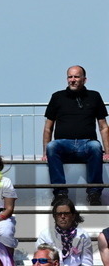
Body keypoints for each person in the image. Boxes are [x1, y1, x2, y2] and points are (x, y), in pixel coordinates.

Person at [43, 65, 109, 206]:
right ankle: (60, 193)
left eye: (76, 77)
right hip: (63, 144)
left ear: (84, 79)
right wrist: (45, 152)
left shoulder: (95, 96)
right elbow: (48, 128)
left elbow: (103, 127)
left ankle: (94, 193)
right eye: (70, 77)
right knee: (52, 146)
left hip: (87, 143)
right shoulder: (57, 97)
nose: (72, 80)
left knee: (95, 146)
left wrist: (108, 152)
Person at [35, 197, 92, 266]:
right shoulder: (45, 235)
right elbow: (41, 260)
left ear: (73, 216)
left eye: (66, 213)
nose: (62, 216)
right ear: (54, 216)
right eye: (59, 214)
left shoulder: (83, 236)